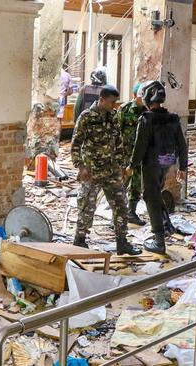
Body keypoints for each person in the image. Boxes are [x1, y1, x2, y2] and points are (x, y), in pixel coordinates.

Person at [71, 85, 142, 255]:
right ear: (101, 99)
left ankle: (122, 242)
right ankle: (79, 240)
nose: (114, 105)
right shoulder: (86, 117)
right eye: (111, 102)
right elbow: (75, 145)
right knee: (87, 207)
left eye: (116, 102)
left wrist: (121, 165)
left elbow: (118, 142)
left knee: (120, 205)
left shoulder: (112, 116)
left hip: (112, 172)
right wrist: (81, 167)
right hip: (92, 172)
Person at [128, 81, 188, 254]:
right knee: (156, 192)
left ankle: (159, 240)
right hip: (167, 162)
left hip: (151, 163)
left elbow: (140, 146)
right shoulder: (173, 118)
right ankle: (165, 224)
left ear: (147, 97)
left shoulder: (147, 119)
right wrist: (182, 166)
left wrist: (131, 165)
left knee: (151, 197)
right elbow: (182, 145)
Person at [115, 83, 148, 226]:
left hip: (141, 155)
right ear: (134, 96)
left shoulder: (147, 111)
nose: (143, 99)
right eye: (141, 97)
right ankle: (117, 217)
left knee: (136, 186)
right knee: (121, 185)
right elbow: (116, 132)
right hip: (126, 155)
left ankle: (131, 212)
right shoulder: (125, 109)